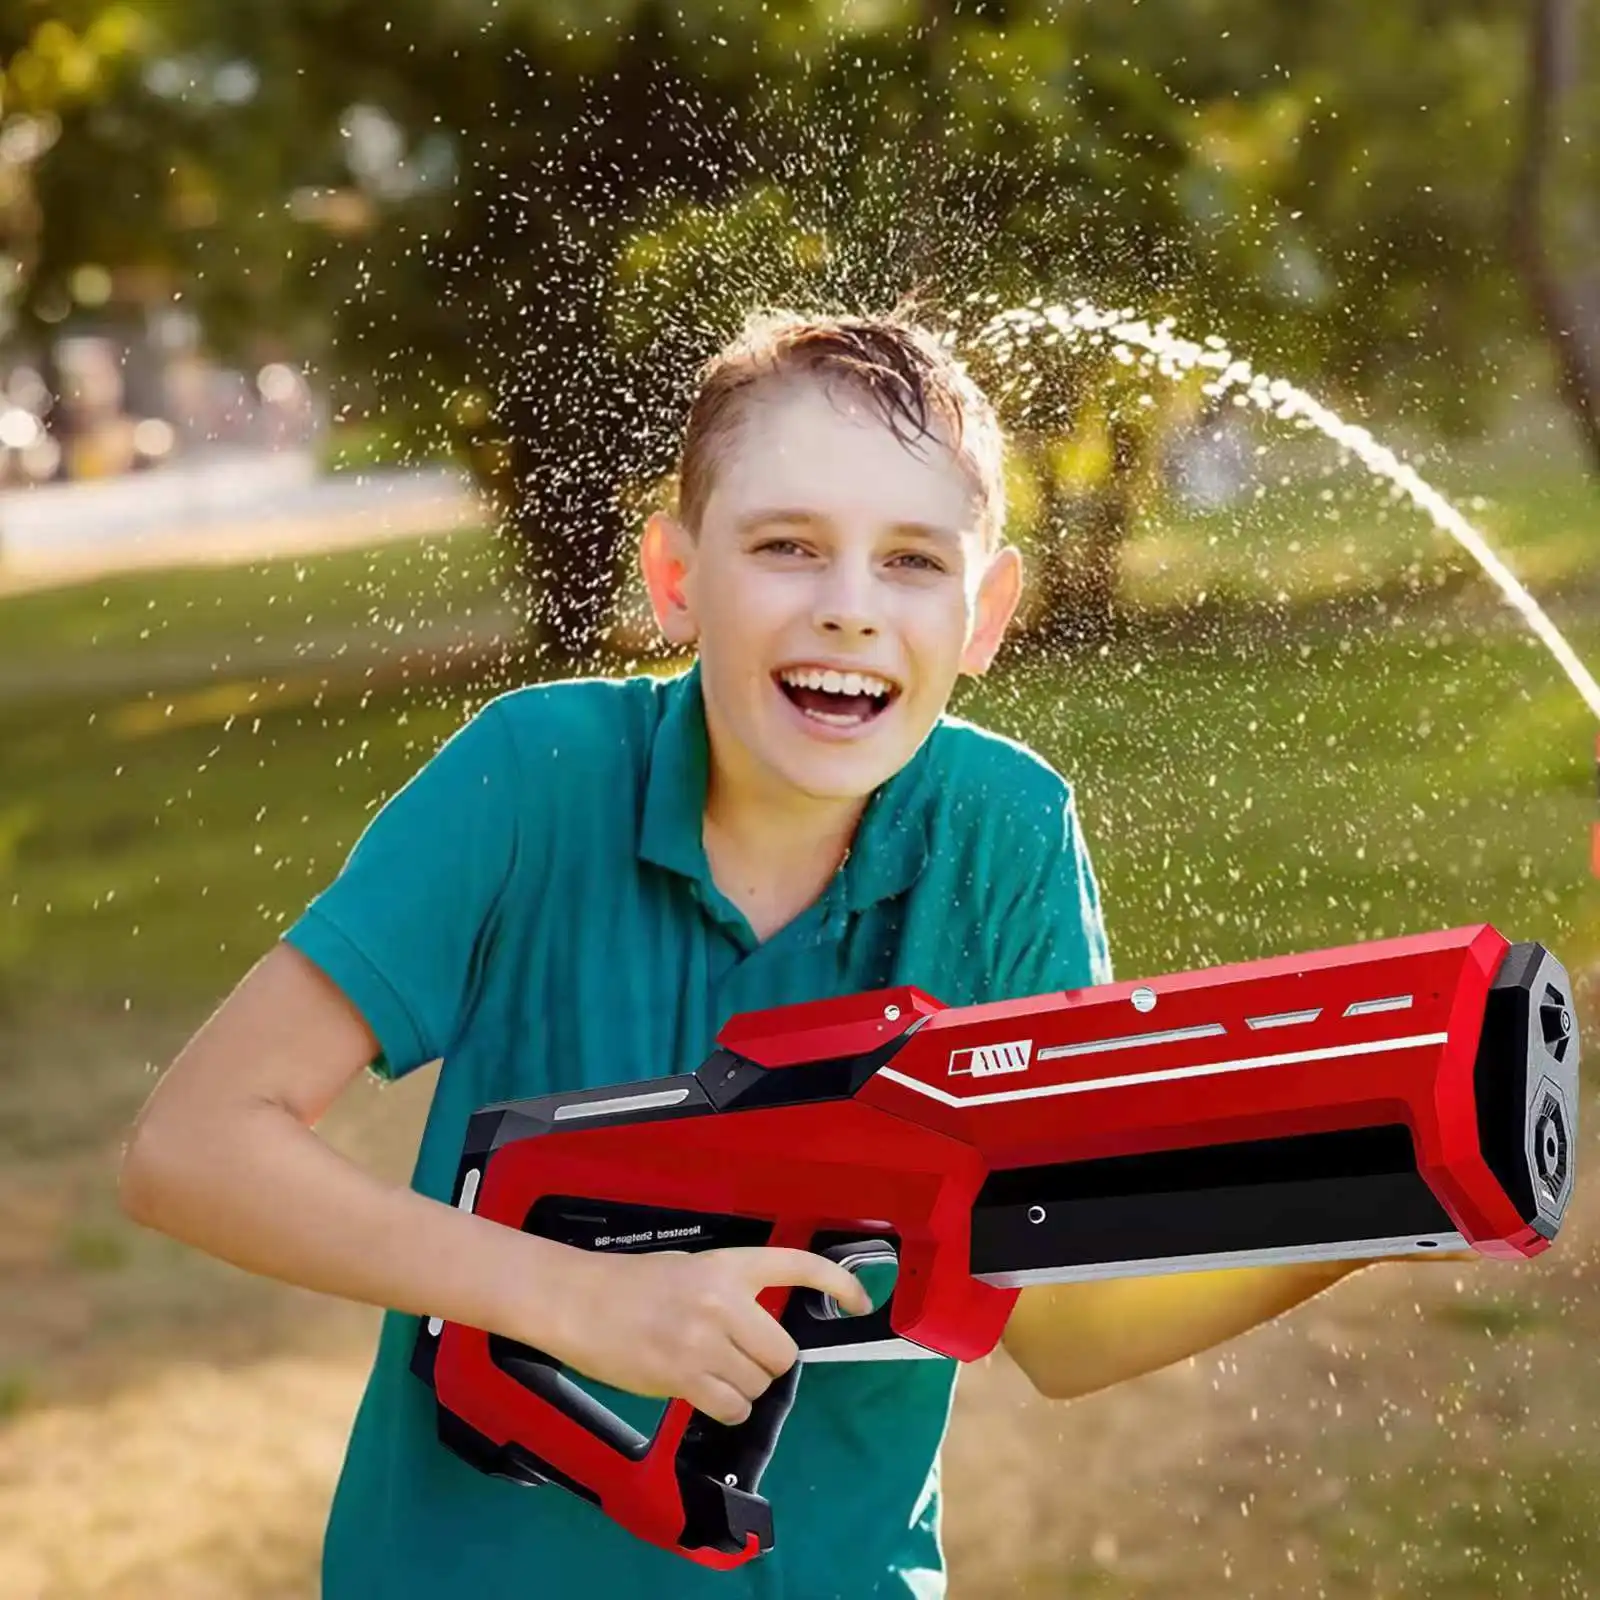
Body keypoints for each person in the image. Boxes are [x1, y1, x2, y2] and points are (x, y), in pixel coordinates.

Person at [117, 308, 1417, 1598]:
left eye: (913, 562)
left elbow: (1063, 1322)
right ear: (677, 578)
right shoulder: (532, 779)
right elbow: (195, 1146)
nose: (850, 609)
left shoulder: (1004, 837)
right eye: (789, 546)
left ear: (987, 613)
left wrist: (1407, 1179)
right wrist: (570, 1299)